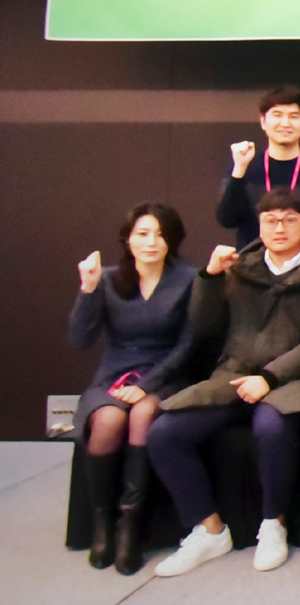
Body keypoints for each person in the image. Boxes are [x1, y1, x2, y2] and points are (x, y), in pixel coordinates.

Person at [148, 188, 300, 576]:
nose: (279, 228)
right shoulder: (240, 268)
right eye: (271, 220)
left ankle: (273, 524)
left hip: (294, 379)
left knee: (271, 428)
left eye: (289, 220)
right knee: (165, 434)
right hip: (234, 374)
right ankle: (209, 530)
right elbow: (203, 327)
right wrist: (210, 276)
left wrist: (269, 377)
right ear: (259, 226)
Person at [68, 203, 197, 575]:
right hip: (115, 372)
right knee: (108, 420)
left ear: (172, 240)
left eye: (160, 234)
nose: (151, 242)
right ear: (127, 239)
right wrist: (88, 288)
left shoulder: (189, 278)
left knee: (142, 414)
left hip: (166, 373)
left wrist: (147, 385)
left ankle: (130, 521)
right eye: (142, 234)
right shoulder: (107, 279)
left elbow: (189, 344)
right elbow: (79, 339)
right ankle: (102, 520)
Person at [215, 86, 300, 249]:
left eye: (294, 116)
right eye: (277, 115)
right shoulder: (244, 165)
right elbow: (227, 219)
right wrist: (239, 170)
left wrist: (295, 252)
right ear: (263, 122)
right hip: (252, 261)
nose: (285, 123)